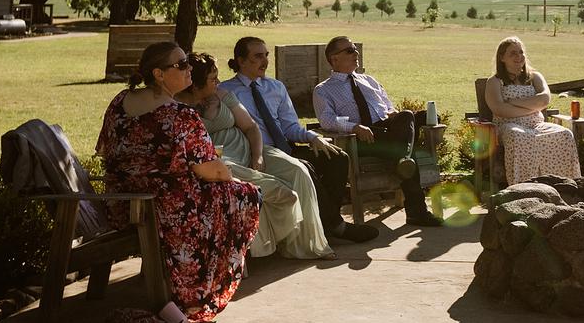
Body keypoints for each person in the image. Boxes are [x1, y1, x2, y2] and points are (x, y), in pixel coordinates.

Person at [95, 41, 261, 323]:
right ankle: (202, 285)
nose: (189, 69)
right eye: (181, 64)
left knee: (225, 192)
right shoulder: (179, 115)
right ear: (159, 74)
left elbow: (105, 151)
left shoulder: (120, 101)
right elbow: (211, 169)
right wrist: (230, 176)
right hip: (168, 212)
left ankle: (188, 280)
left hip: (122, 205)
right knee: (246, 194)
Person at [218, 36, 378, 244]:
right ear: (241, 60)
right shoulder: (226, 92)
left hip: (285, 147)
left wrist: (314, 137)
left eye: (266, 55)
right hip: (258, 153)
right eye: (258, 56)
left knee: (338, 158)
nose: (265, 61)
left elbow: (290, 126)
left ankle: (323, 222)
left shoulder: (275, 87)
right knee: (305, 167)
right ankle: (335, 226)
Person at [176, 53, 336, 260]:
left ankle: (306, 245)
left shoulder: (223, 95)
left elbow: (251, 127)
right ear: (195, 84)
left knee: (298, 170)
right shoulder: (177, 107)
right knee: (243, 175)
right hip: (218, 159)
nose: (218, 82)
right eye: (212, 78)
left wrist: (258, 156)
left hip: (249, 148)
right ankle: (272, 224)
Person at [312, 35, 443, 227]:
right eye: (349, 50)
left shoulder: (369, 81)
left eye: (355, 48)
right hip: (361, 138)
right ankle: (416, 207)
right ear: (334, 59)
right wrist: (355, 127)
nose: (356, 53)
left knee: (407, 115)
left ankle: (402, 158)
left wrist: (393, 114)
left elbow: (388, 107)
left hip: (387, 132)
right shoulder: (324, 90)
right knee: (406, 146)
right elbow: (327, 120)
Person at [484, 37, 582, 185]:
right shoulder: (495, 81)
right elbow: (500, 109)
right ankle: (523, 188)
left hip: (537, 125)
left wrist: (514, 103)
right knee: (518, 135)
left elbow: (544, 100)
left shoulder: (534, 77)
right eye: (513, 53)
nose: (519, 56)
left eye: (521, 52)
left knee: (565, 134)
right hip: (508, 126)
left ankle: (565, 186)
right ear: (502, 57)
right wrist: (532, 107)